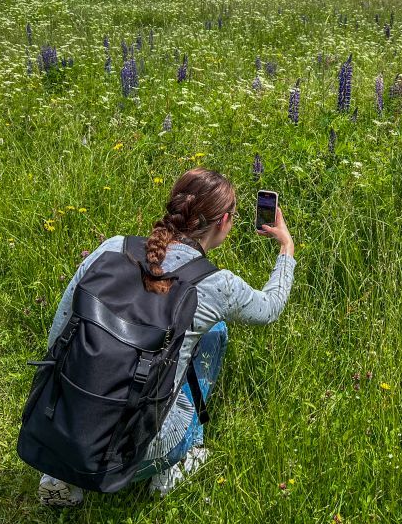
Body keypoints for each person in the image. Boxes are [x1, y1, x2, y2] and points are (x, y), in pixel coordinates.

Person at [37, 167, 296, 506]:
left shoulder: (113, 248)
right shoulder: (216, 286)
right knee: (214, 329)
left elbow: (61, 331)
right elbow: (270, 307)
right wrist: (286, 246)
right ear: (223, 222)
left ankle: (61, 475)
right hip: (138, 446)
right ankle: (179, 457)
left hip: (63, 420)